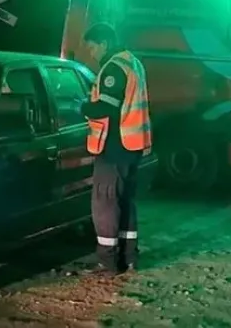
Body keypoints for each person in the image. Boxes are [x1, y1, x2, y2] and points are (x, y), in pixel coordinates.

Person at [80, 22, 152, 275]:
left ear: (104, 43)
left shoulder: (113, 68)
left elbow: (106, 107)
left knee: (105, 203)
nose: (92, 53)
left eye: (92, 48)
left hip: (114, 147)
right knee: (125, 201)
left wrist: (83, 107)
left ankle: (107, 262)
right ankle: (129, 257)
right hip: (133, 145)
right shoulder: (133, 62)